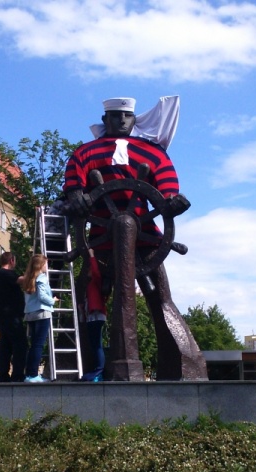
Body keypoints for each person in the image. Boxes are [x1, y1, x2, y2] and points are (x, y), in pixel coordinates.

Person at [63, 96, 206, 381]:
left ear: (134, 119)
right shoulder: (85, 153)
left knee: (160, 298)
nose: (122, 121)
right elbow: (73, 181)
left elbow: (166, 184)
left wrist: (172, 200)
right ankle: (86, 364)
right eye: (116, 116)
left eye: (127, 117)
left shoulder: (153, 153)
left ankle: (181, 363)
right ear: (106, 120)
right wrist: (76, 196)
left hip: (146, 242)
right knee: (88, 299)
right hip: (101, 243)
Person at [0, 252, 27, 382]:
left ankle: (3, 374)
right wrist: (35, 273)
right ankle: (17, 374)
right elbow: (21, 280)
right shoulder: (5, 273)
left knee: (5, 344)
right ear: (12, 260)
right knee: (20, 344)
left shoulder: (1, 274)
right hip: (11, 316)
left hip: (5, 315)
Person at [22, 254, 55, 383]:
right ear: (41, 265)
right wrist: (52, 300)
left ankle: (30, 374)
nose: (47, 266)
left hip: (31, 314)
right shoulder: (42, 277)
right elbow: (42, 296)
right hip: (42, 312)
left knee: (34, 345)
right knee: (38, 345)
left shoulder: (29, 278)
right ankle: (34, 375)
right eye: (46, 264)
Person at [80, 250, 107, 381]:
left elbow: (96, 272)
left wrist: (92, 256)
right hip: (92, 316)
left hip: (96, 315)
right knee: (94, 343)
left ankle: (99, 370)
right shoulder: (91, 284)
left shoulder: (97, 281)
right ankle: (97, 369)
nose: (88, 271)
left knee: (96, 344)